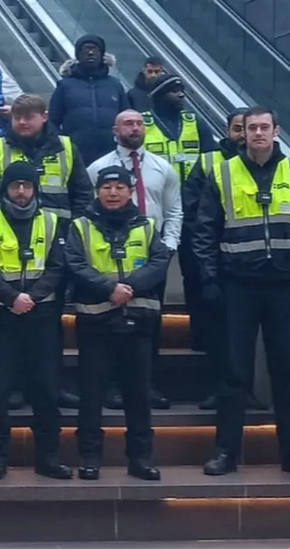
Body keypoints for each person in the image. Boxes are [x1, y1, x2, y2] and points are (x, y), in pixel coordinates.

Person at [195, 107, 290, 477]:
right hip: (238, 284)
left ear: (276, 131)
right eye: (251, 127)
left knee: (289, 369)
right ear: (242, 133)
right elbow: (203, 230)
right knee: (234, 373)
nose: (257, 133)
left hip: (287, 284)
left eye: (263, 127)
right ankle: (226, 453)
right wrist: (209, 277)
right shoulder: (223, 172)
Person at [67, 165, 169, 482]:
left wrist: (132, 288)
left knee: (138, 396)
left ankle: (140, 459)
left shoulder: (149, 226)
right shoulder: (80, 226)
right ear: (98, 191)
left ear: (129, 191)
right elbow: (75, 262)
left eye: (119, 187)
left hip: (138, 324)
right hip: (96, 322)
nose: (113, 193)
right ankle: (90, 458)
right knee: (92, 395)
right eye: (107, 187)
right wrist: (108, 288)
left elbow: (160, 260)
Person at [0, 162, 71, 481]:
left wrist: (32, 297)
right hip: (1, 319)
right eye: (15, 185)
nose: (20, 191)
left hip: (42, 319)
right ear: (5, 189)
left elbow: (58, 268)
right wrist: (12, 298)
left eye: (26, 186)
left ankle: (48, 456)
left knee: (45, 389)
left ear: (35, 189)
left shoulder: (53, 221)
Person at [87, 110, 182, 409]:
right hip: (108, 260)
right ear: (115, 129)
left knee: (150, 324)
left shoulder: (163, 168)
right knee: (112, 323)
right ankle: (114, 385)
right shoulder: (98, 168)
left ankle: (146, 383)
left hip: (152, 260)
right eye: (128, 123)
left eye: (139, 123)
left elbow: (174, 212)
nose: (135, 128)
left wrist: (166, 248)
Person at [184, 108, 260, 411]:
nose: (243, 134)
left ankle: (249, 390)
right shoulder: (207, 161)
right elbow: (192, 212)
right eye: (238, 128)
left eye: (248, 128)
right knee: (218, 332)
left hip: (252, 265)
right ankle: (220, 388)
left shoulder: (268, 166)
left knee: (248, 336)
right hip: (215, 262)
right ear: (227, 131)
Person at [0, 94, 93, 228]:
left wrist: (74, 228)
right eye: (17, 118)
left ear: (44, 117)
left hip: (59, 231)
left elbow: (82, 193)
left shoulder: (66, 148)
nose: (22, 122)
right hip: (7, 231)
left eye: (28, 117)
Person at [49, 34, 130, 168]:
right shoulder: (65, 86)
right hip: (75, 152)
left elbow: (126, 116)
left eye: (95, 49)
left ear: (102, 55)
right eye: (85, 49)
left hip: (111, 152)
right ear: (78, 55)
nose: (90, 53)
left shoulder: (114, 85)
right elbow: (53, 120)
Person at [143, 74, 217, 183]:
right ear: (159, 96)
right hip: (155, 192)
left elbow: (212, 157)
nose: (181, 95)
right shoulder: (141, 123)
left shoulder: (196, 122)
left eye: (182, 91)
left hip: (192, 193)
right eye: (174, 91)